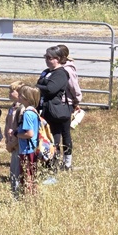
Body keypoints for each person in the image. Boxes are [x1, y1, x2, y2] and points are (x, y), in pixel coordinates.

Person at [37, 45, 73, 173]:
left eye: (49, 57)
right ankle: (49, 164)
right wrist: (42, 85)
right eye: (45, 57)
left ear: (57, 59)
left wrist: (40, 85)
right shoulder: (47, 71)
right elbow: (42, 85)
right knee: (47, 138)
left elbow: (51, 89)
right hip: (45, 110)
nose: (46, 60)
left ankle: (54, 166)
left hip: (57, 112)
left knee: (55, 139)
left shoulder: (61, 73)